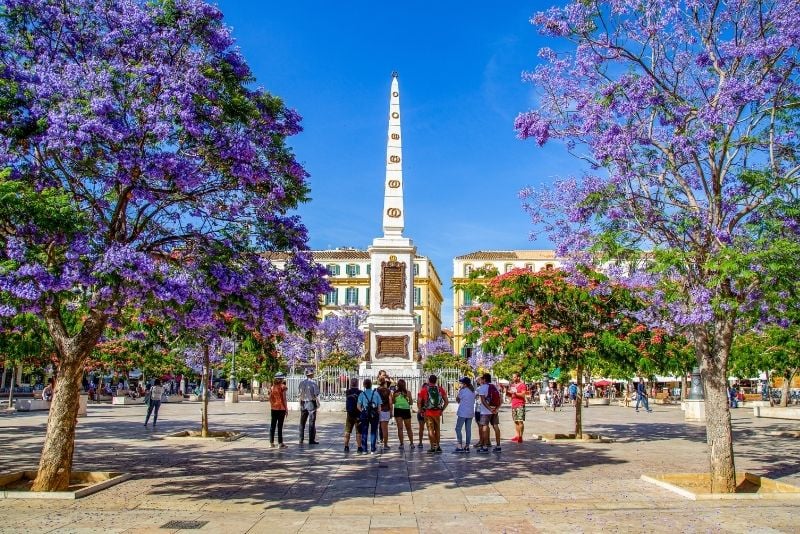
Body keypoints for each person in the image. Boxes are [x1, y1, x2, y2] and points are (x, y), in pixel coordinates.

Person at [418, 374, 448, 453]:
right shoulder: (440, 389)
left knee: (430, 430)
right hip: (437, 412)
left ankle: (432, 446)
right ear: (436, 381)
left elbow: (419, 402)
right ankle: (438, 446)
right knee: (437, 429)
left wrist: (421, 410)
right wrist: (442, 410)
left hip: (428, 412)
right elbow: (446, 401)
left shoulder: (424, 389)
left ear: (428, 380)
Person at [477, 373, 502, 453]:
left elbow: (483, 401)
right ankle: (498, 446)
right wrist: (496, 409)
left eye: (482, 379)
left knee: (484, 427)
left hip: (485, 411)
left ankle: (484, 447)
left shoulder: (482, 388)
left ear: (484, 379)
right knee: (496, 426)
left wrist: (489, 409)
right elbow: (501, 400)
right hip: (495, 410)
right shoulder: (495, 387)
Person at [357, 378, 380, 454]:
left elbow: (358, 406)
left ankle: (364, 450)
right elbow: (379, 406)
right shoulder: (376, 393)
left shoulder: (362, 394)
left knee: (364, 431)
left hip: (365, 413)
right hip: (374, 414)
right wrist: (377, 412)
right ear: (371, 385)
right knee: (373, 431)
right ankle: (373, 449)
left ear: (364, 385)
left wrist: (362, 411)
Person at [298, 368, 320, 444]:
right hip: (311, 402)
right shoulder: (313, 383)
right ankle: (311, 440)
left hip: (303, 402)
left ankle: (301, 439)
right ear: (312, 375)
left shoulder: (301, 383)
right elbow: (316, 393)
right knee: (311, 422)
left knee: (302, 422)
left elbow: (300, 393)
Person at [454, 377, 475, 453]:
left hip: (463, 412)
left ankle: (459, 445)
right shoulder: (473, 391)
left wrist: (459, 391)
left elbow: (457, 399)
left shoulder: (462, 390)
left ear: (465, 384)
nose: (461, 384)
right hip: (470, 412)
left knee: (458, 428)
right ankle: (467, 446)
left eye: (462, 383)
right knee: (468, 429)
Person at [392, 379, 414, 449]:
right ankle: (411, 443)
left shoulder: (395, 393)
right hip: (406, 410)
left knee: (400, 428)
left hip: (398, 410)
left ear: (398, 385)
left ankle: (401, 444)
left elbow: (393, 402)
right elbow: (411, 403)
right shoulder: (408, 392)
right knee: (409, 428)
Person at [269, 373, 288, 448]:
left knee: (272, 426)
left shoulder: (272, 387)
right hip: (281, 408)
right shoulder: (283, 387)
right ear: (281, 379)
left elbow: (269, 398)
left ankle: (271, 443)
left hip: (273, 408)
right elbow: (284, 399)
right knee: (280, 426)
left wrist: (272, 405)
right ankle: (280, 443)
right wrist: (286, 409)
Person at [508, 373, 527, 443]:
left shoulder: (522, 385)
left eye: (514, 377)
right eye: (513, 377)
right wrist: (507, 393)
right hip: (514, 405)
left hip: (520, 404)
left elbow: (523, 395)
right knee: (515, 421)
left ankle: (521, 436)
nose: (513, 378)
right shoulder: (512, 385)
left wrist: (515, 393)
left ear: (518, 377)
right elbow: (511, 394)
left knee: (520, 421)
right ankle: (517, 435)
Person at [344, 377, 362, 452]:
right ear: (357, 383)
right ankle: (359, 447)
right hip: (358, 413)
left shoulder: (348, 392)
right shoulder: (360, 392)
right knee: (358, 432)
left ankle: (346, 446)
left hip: (350, 414)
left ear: (351, 383)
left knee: (347, 431)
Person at [376, 378, 393, 451]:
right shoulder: (388, 391)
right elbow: (390, 403)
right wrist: (391, 412)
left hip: (377, 410)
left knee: (375, 428)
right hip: (385, 410)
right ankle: (385, 444)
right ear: (384, 383)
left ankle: (375, 443)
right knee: (385, 429)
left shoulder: (376, 391)